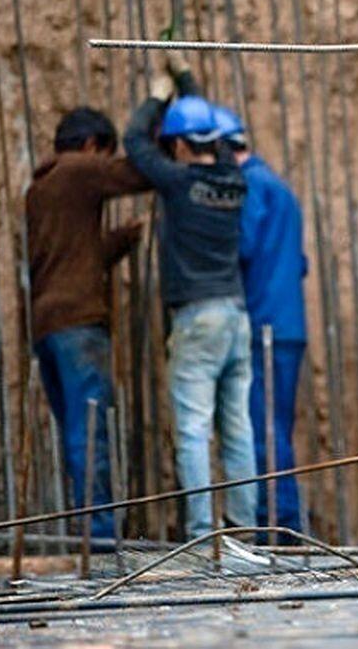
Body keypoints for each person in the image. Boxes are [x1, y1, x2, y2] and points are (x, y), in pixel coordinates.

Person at [123, 52, 257, 539]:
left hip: (198, 318)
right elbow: (210, 132)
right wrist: (186, 79)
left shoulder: (179, 184)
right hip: (235, 316)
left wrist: (160, 93)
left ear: (179, 144)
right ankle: (242, 527)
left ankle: (202, 533)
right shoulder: (233, 179)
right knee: (237, 427)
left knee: (194, 429)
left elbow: (135, 142)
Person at [27, 107, 148, 539]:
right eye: (104, 153)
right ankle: (97, 536)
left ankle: (88, 529)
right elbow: (138, 174)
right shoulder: (79, 170)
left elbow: (73, 257)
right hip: (78, 323)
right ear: (93, 146)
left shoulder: (40, 187)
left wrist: (120, 241)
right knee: (90, 430)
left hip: (46, 325)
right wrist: (150, 128)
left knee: (75, 431)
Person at [213, 105, 308, 535]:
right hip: (289, 323)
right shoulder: (281, 188)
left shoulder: (249, 186)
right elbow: (299, 262)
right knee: (277, 425)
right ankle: (282, 520)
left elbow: (242, 246)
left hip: (263, 324)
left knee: (262, 428)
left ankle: (280, 526)